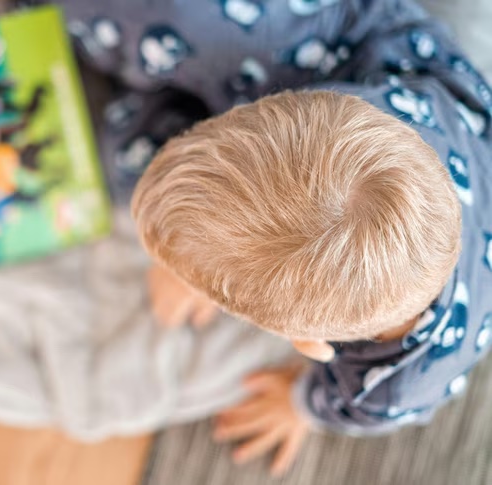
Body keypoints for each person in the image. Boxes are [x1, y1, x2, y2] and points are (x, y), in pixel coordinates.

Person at [27, 0, 492, 476]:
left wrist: (300, 404)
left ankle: (154, 108)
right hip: (370, 58)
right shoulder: (361, 139)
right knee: (185, 18)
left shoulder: (397, 387)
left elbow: (346, 406)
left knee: (124, 163)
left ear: (309, 342)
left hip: (358, 124)